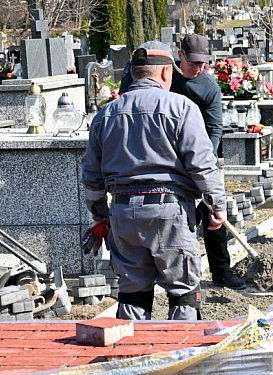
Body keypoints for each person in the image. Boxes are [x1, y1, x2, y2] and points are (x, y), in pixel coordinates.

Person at [82, 41, 228, 320]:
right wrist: (217, 205)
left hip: (123, 213)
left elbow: (91, 176)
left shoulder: (106, 114)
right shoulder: (181, 108)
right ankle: (181, 346)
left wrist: (100, 216)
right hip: (169, 212)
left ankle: (131, 346)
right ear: (164, 73)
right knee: (184, 294)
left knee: (132, 294)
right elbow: (202, 163)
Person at [120, 35, 247, 290]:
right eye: (193, 62)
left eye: (202, 63)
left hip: (197, 155)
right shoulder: (162, 74)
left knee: (213, 211)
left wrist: (201, 158)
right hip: (160, 156)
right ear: (180, 57)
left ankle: (221, 271)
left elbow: (214, 129)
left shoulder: (209, 88)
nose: (198, 68)